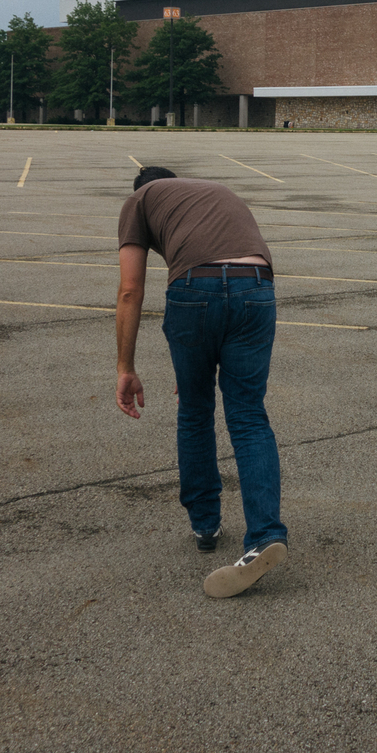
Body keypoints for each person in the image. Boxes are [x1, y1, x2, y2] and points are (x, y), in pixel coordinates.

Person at [115, 165, 288, 598]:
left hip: (195, 290)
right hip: (257, 287)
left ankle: (205, 523)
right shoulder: (214, 191)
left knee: (194, 410)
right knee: (248, 416)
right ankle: (265, 534)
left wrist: (125, 368)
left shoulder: (140, 199)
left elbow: (130, 290)